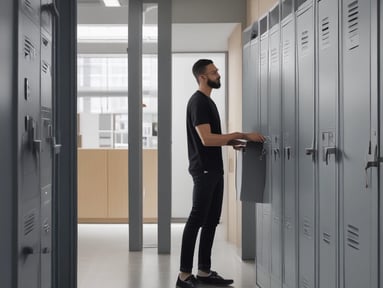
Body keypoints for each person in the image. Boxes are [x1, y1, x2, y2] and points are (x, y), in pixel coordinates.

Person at [176, 59, 265, 288]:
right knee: (197, 219)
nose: (218, 74)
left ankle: (204, 271)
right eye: (214, 72)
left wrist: (231, 141)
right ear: (202, 77)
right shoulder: (198, 102)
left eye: (217, 71)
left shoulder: (209, 102)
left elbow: (213, 138)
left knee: (212, 220)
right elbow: (206, 139)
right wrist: (241, 134)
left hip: (214, 168)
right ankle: (184, 276)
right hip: (204, 169)